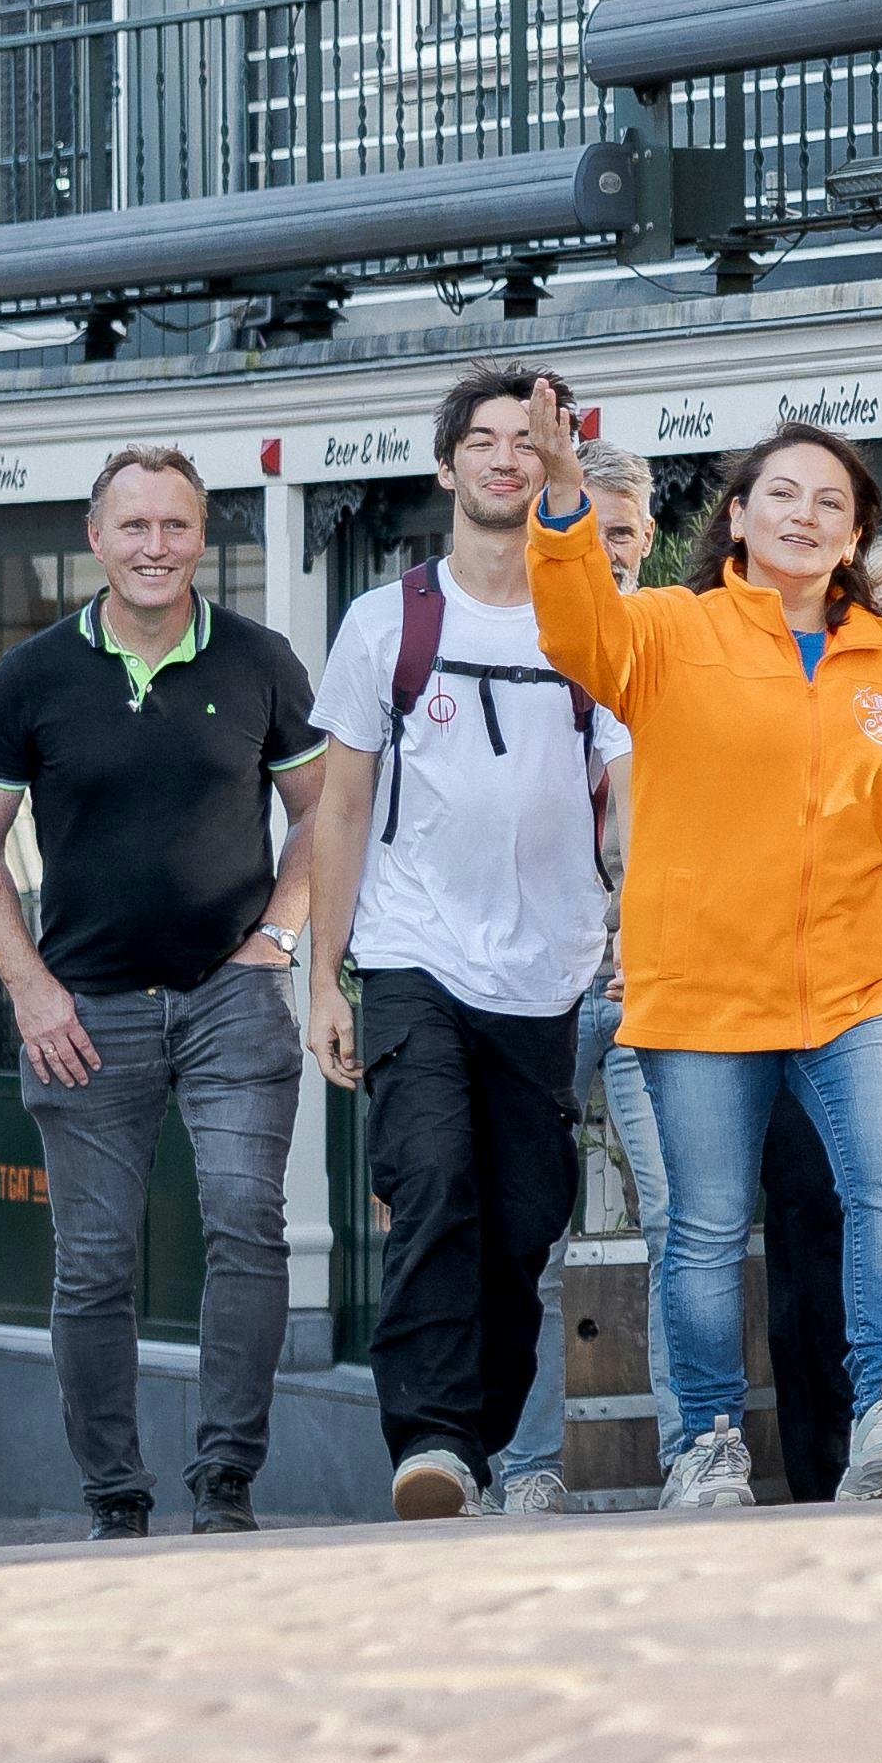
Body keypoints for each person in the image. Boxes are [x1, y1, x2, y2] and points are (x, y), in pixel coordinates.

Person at [525, 415, 882, 1505]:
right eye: (782, 495)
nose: (805, 515)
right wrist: (559, 501)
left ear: (857, 534)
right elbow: (574, 628)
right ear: (737, 516)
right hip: (700, 987)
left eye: (831, 503)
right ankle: (707, 1445)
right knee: (706, 1228)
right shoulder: (666, 632)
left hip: (855, 981)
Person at [0, 446, 325, 1539]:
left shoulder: (260, 661)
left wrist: (279, 942)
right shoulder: (34, 675)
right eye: (134, 527)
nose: (155, 547)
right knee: (95, 1262)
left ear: (203, 540)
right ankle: (115, 1498)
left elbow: (319, 814)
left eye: (176, 527)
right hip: (84, 1012)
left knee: (249, 1224)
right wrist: (29, 986)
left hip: (229, 997)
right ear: (96, 540)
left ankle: (226, 1485)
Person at [293, 367, 630, 1520]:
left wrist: (639, 903)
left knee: (524, 1220)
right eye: (482, 442)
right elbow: (339, 808)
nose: (503, 460)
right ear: (446, 468)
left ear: (551, 468)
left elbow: (628, 790)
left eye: (526, 445)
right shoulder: (386, 622)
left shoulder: (592, 622)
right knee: (429, 1182)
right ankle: (430, 1439)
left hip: (550, 965)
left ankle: (476, 1448)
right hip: (409, 953)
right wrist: (323, 975)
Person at [490, 433, 678, 1517]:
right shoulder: (514, 651)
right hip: (536, 989)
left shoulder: (672, 646)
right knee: (534, 1235)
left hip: (651, 983)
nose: (599, 554)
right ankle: (523, 1471)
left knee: (683, 1223)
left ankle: (694, 1453)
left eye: (615, 534)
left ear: (645, 537)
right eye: (575, 533)